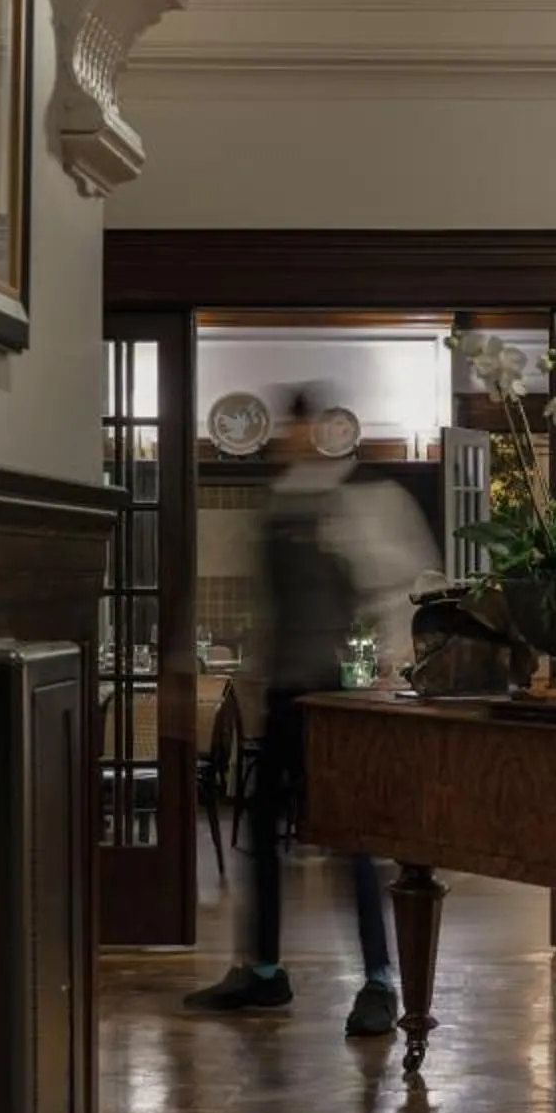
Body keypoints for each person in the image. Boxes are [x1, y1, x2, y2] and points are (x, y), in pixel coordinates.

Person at [184, 390, 437, 1034]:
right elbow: (268, 610)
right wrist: (255, 679)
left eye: (299, 425)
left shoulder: (362, 499)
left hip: (338, 699)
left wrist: (384, 667)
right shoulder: (277, 503)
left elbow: (401, 590)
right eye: (288, 428)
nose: (292, 438)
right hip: (283, 698)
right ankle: (264, 972)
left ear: (318, 428)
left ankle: (380, 982)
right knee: (260, 840)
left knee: (351, 842)